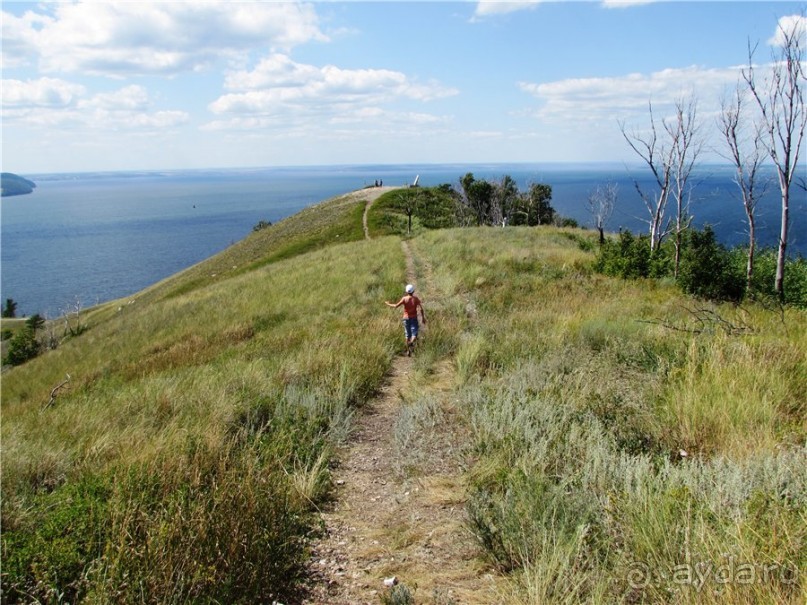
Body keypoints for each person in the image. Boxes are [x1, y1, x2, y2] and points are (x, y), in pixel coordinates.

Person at [385, 284, 426, 356]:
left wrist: (388, 304)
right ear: (413, 291)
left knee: (407, 334)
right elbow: (421, 309)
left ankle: (408, 351)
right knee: (414, 333)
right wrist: (423, 318)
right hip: (413, 317)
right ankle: (412, 342)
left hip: (406, 318)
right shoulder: (415, 299)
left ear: (407, 291)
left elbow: (395, 306)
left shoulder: (404, 299)